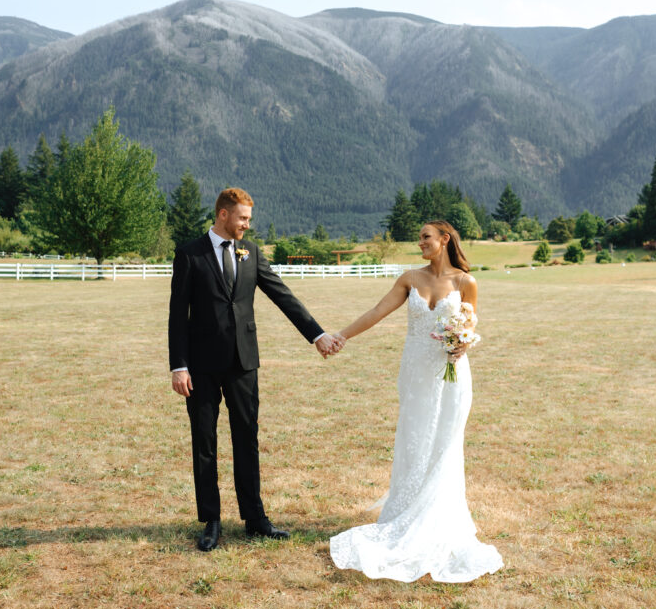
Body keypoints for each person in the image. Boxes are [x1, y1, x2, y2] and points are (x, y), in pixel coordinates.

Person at [328, 220, 503, 582]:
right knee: (414, 440)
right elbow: (377, 312)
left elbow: (469, 324)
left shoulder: (465, 282)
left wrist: (463, 343)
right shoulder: (410, 278)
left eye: (426, 237)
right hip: (415, 374)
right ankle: (405, 513)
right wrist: (341, 335)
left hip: (451, 375)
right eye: (420, 237)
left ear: (444, 240)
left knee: (444, 444)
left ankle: (438, 517)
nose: (420, 242)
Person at [169, 187, 340, 551]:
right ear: (223, 215)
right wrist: (179, 366)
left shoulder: (252, 253)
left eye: (249, 218)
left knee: (247, 437)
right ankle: (211, 521)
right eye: (243, 218)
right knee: (205, 443)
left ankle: (255, 518)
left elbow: (282, 295)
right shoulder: (189, 254)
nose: (247, 224)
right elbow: (176, 316)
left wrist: (317, 334)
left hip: (244, 362)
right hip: (199, 367)